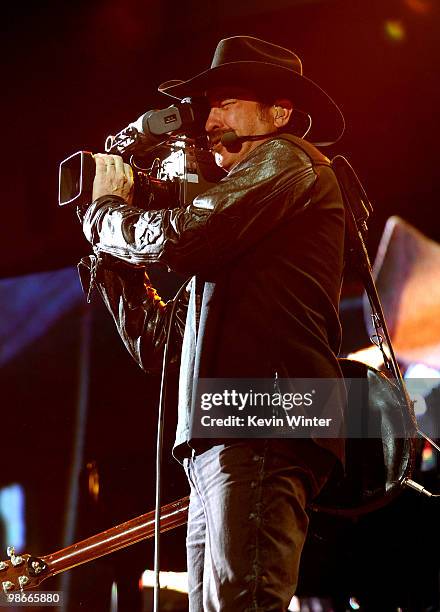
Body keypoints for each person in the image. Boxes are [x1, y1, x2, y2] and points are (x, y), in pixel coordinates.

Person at [78, 35, 346, 611]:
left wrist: (107, 217)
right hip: (223, 429)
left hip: (266, 418)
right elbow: (164, 346)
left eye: (227, 101)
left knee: (239, 602)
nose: (209, 118)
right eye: (210, 105)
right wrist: (113, 264)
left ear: (279, 113)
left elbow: (180, 236)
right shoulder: (235, 224)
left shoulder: (289, 159)